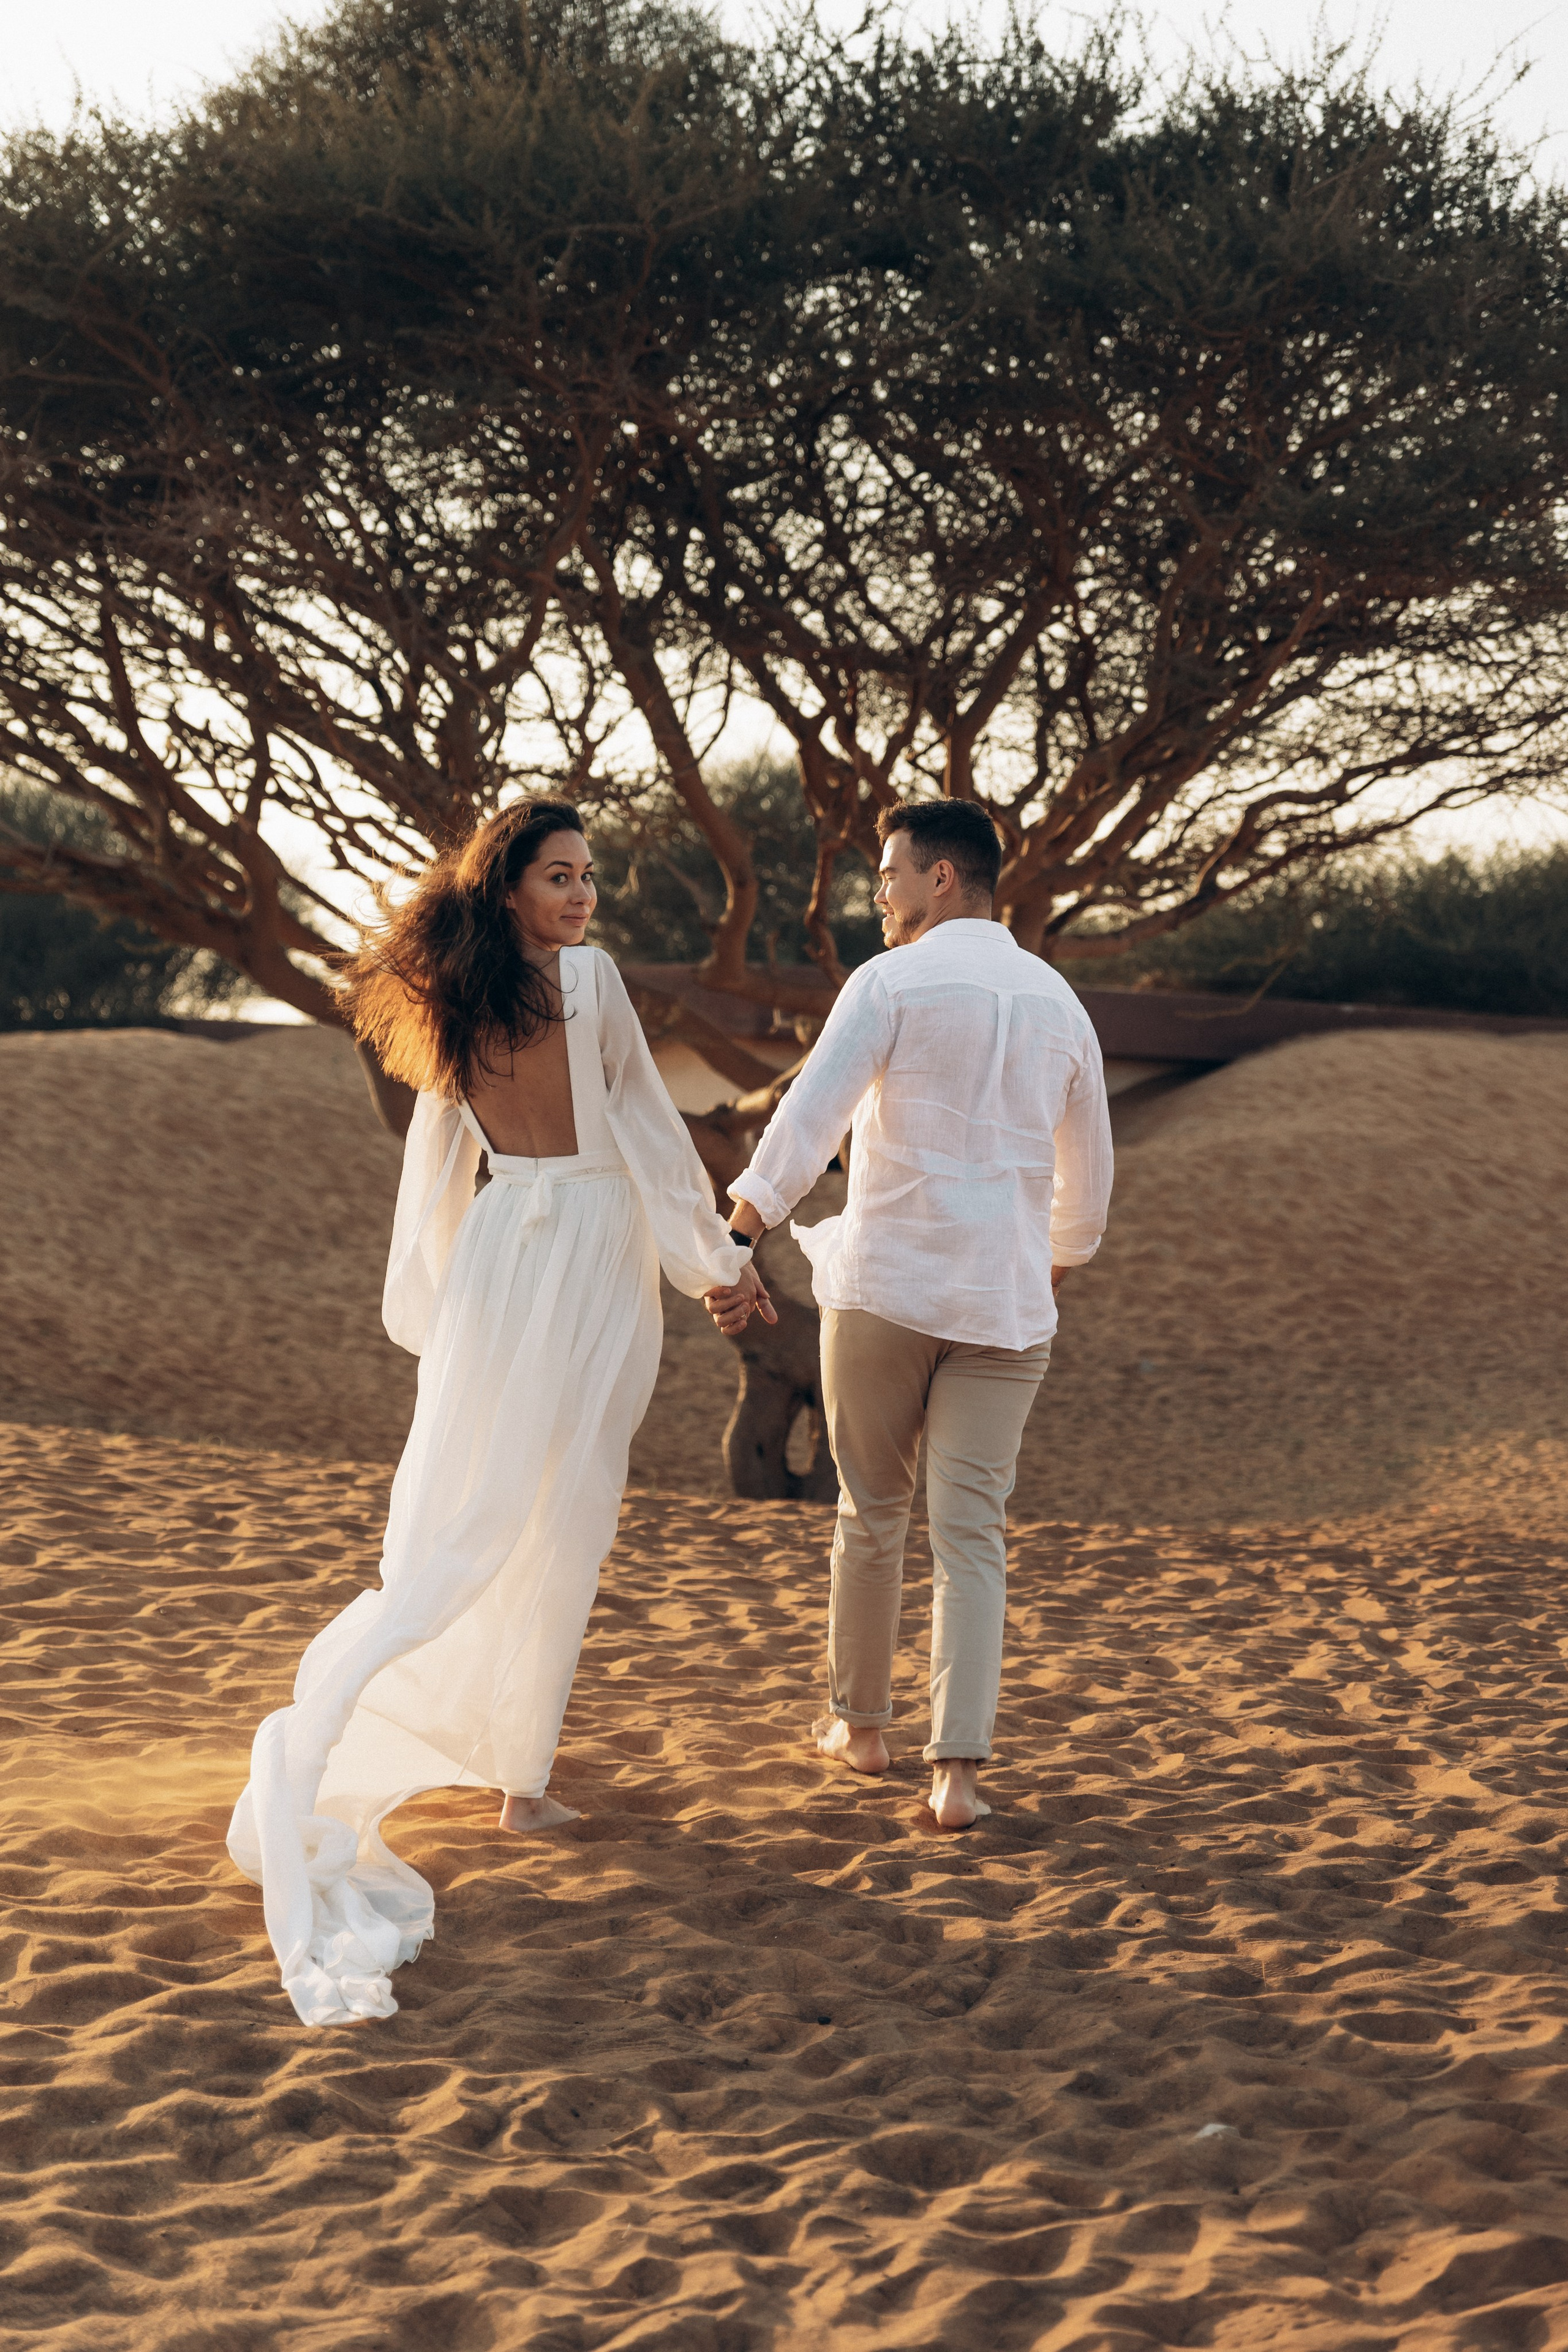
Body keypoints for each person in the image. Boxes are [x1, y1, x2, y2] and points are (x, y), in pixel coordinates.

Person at [227, 799, 772, 2026]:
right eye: (562, 879)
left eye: (589, 881)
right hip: (583, 1246)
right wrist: (718, 1272)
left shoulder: (452, 996)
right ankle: (516, 1783)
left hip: (498, 1254)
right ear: (512, 887)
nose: (582, 901)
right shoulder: (585, 985)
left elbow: (436, 1158)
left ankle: (478, 1753)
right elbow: (640, 1128)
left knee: (469, 1508)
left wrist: (431, 1296)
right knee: (561, 1513)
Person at [707, 801, 1112, 1830]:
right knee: (972, 1533)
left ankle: (864, 1729)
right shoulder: (1061, 1003)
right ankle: (958, 1778)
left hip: (887, 1291)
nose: (878, 893)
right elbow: (1092, 1180)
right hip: (1008, 1310)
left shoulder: (887, 983)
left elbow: (808, 1121)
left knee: (872, 1515)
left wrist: (742, 1235)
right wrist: (1052, 1264)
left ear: (941, 879)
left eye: (888, 874)